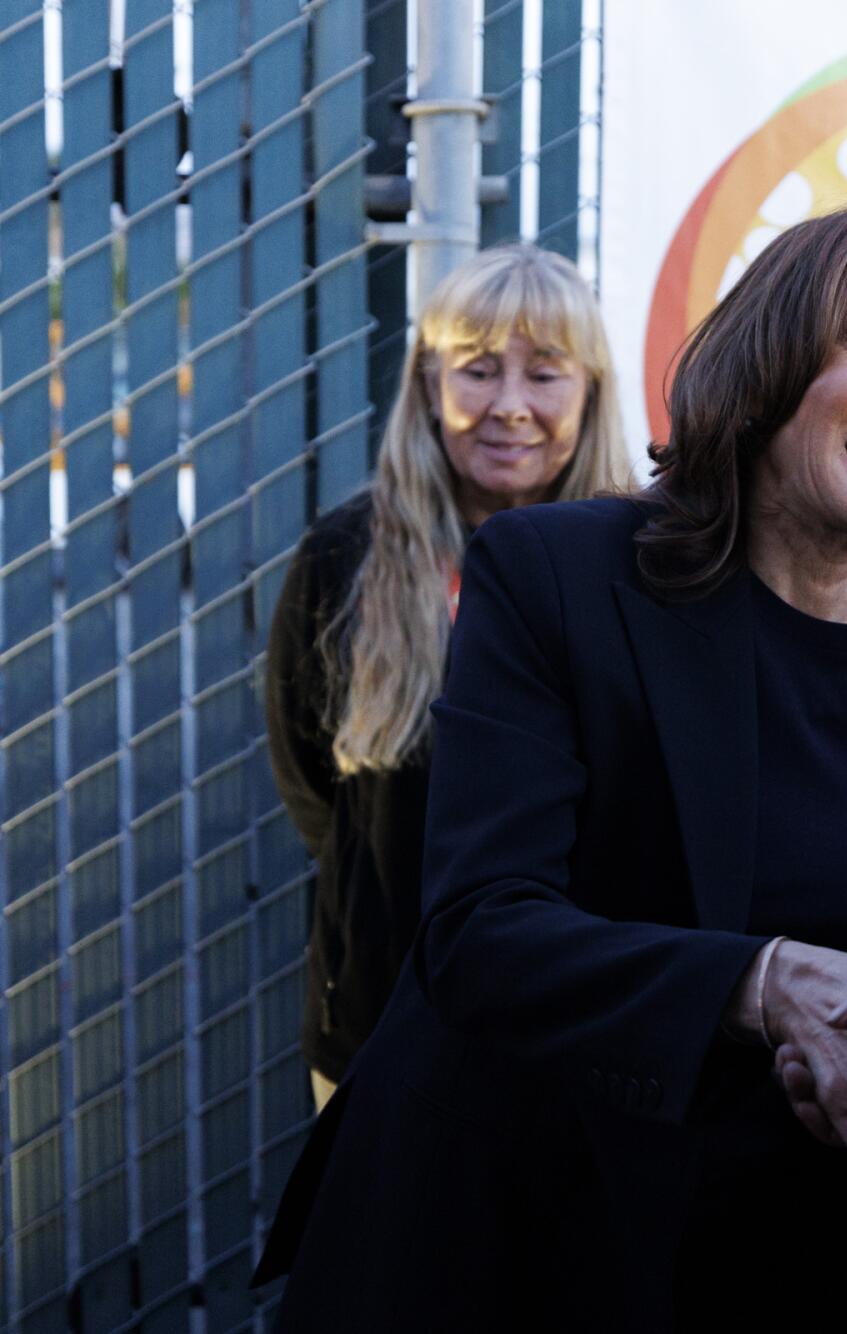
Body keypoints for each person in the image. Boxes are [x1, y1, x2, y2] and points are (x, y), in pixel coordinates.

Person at [251, 196, 847, 1330]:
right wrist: (758, 981)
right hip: (521, 1240)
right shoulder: (559, 577)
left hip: (802, 1252)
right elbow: (481, 930)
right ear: (765, 365)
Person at [263, 243, 630, 1109]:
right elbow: (312, 781)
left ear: (590, 393)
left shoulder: (641, 567)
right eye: (476, 371)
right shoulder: (344, 557)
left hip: (582, 1028)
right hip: (380, 1023)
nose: (509, 407)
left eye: (545, 374)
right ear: (429, 387)